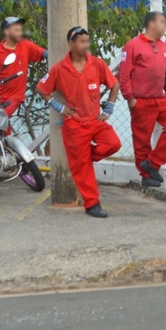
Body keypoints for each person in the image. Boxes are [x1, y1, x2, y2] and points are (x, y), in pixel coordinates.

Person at [36, 27, 121, 218]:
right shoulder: (60, 68)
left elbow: (114, 84)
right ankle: (92, 204)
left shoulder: (97, 64)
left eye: (87, 41)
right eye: (81, 41)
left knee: (113, 143)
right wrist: (58, 106)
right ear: (71, 43)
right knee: (82, 169)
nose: (85, 45)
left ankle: (84, 158)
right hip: (74, 124)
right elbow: (41, 88)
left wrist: (109, 108)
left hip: (95, 120)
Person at [119, 12, 166, 188]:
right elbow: (124, 75)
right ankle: (146, 175)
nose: (165, 25)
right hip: (140, 100)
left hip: (161, 99)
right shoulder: (133, 45)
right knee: (142, 139)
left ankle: (153, 162)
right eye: (163, 22)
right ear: (151, 24)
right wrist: (130, 98)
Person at [0, 17, 46, 118]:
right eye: (16, 30)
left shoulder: (25, 45)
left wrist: (60, 56)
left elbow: (42, 52)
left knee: (1, 117)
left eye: (20, 30)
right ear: (7, 31)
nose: (20, 33)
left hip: (15, 96)